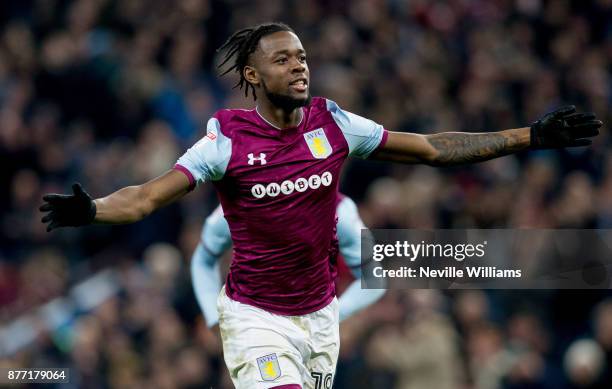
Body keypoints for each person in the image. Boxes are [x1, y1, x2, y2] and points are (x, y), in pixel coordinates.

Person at [40, 22, 602, 389]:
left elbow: (432, 149)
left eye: (302, 56)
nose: (300, 66)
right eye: (284, 60)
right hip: (255, 318)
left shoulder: (334, 124)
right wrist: (93, 212)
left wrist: (530, 136)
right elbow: (143, 199)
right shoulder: (225, 141)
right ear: (254, 77)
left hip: (320, 318)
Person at [191, 194, 385, 330]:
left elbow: (375, 279)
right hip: (253, 324)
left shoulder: (340, 212)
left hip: (312, 331)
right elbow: (203, 260)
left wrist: (332, 316)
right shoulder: (240, 202)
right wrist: (215, 319)